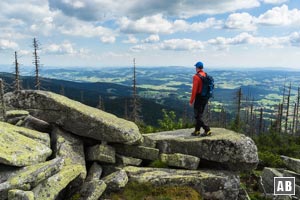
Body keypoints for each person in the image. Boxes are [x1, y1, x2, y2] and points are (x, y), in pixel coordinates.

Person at [189, 61, 211, 136]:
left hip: (199, 97)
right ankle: (197, 130)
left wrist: (191, 100)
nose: (195, 68)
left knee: (197, 115)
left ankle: (207, 129)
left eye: (196, 67)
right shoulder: (205, 75)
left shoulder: (196, 77)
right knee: (200, 114)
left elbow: (194, 90)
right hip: (205, 97)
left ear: (197, 68)